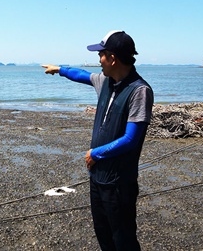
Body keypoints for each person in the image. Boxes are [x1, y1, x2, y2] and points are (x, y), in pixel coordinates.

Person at [42, 30, 153, 251]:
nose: (99, 60)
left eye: (101, 55)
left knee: (123, 239)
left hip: (119, 182)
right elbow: (81, 75)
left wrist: (95, 153)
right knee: (103, 235)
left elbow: (131, 139)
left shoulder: (140, 91)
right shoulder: (105, 81)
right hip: (98, 177)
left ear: (112, 58)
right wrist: (60, 70)